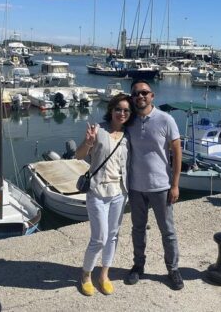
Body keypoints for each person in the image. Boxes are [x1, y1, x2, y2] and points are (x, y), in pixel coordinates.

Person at [126, 79, 184, 290]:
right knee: (137, 229)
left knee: (167, 230)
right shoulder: (129, 121)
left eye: (144, 93)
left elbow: (177, 152)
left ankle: (173, 269)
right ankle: (138, 266)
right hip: (135, 186)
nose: (140, 96)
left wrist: (175, 184)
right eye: (135, 94)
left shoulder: (165, 119)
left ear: (152, 96)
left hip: (161, 186)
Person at [75, 93, 134, 296]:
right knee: (99, 238)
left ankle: (104, 275)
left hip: (119, 193)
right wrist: (89, 142)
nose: (122, 113)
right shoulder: (98, 130)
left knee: (113, 236)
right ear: (111, 110)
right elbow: (79, 155)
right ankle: (85, 275)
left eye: (126, 110)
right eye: (118, 109)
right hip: (97, 191)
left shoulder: (128, 135)